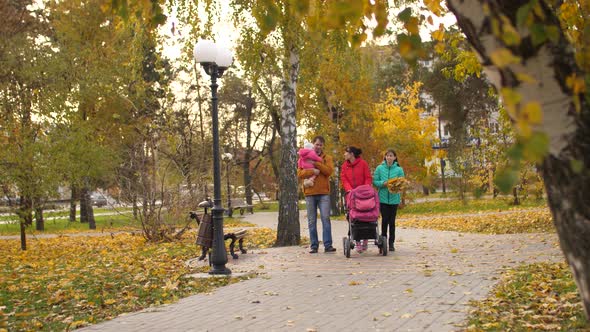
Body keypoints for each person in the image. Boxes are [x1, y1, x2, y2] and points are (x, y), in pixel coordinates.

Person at [297, 135, 336, 253]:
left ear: (323, 146)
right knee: (311, 220)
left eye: (320, 145)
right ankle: (314, 245)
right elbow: (299, 173)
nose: (318, 146)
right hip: (310, 193)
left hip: (324, 193)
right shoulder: (304, 157)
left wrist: (316, 163)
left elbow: (328, 171)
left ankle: (328, 245)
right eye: (316, 144)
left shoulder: (327, 158)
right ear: (313, 144)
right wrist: (312, 171)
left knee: (325, 218)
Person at [340, 146, 372, 253]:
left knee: (366, 214)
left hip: (363, 194)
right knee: (354, 217)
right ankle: (357, 241)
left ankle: (366, 238)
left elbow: (367, 177)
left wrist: (364, 189)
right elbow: (344, 179)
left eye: (346, 152)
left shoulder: (363, 164)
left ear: (352, 154)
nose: (344, 154)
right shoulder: (345, 166)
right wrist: (349, 190)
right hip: (351, 195)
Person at [372, 149, 405, 252]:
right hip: (383, 198)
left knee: (392, 221)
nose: (389, 157)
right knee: (385, 220)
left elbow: (402, 183)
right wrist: (383, 183)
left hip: (394, 199)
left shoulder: (399, 169)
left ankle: (391, 243)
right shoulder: (379, 168)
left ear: (395, 157)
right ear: (385, 157)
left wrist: (396, 185)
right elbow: (375, 182)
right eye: (387, 155)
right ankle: (383, 241)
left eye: (391, 156)